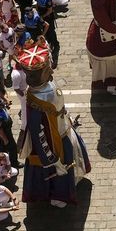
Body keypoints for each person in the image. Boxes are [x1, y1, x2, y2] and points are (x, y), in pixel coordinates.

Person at [18, 42, 91, 208]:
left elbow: (59, 109)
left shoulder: (49, 86)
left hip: (63, 129)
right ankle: (58, 196)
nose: (51, 70)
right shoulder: (36, 102)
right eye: (47, 69)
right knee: (59, 170)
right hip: (52, 142)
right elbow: (38, 134)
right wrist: (51, 159)